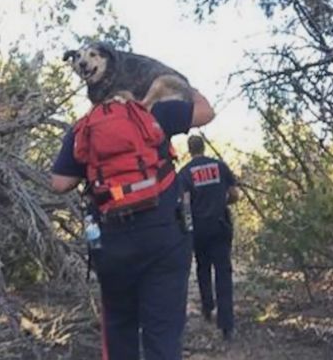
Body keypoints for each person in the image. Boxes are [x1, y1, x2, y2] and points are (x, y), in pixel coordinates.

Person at [51, 90, 214, 360]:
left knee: (118, 329)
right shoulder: (155, 113)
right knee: (162, 334)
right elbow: (206, 112)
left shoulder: (84, 127)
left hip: (113, 244)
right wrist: (179, 84)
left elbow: (59, 183)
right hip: (165, 240)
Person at [179, 135, 239, 341]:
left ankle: (207, 307)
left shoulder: (185, 173)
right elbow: (234, 194)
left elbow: (184, 205)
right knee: (223, 272)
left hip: (199, 229)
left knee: (203, 267)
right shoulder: (219, 166)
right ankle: (227, 324)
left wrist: (187, 229)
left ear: (189, 150)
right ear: (203, 147)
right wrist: (222, 202)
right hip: (221, 225)